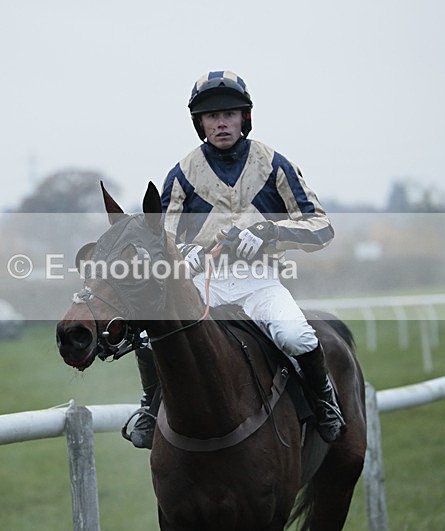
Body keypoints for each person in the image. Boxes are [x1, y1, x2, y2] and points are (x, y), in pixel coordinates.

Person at [124, 70, 345, 450]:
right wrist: (186, 255)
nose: (221, 122)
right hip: (201, 283)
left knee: (296, 336)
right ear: (200, 123)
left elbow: (321, 227)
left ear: (245, 116)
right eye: (212, 116)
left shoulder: (274, 164)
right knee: (147, 335)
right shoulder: (181, 175)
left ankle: (324, 401)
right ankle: (150, 407)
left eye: (229, 113)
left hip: (259, 281)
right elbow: (164, 240)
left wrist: (270, 233)